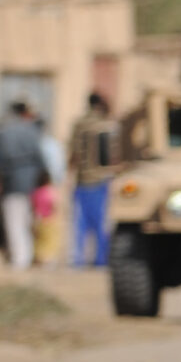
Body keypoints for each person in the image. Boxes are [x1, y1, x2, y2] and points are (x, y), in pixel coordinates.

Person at [0, 99, 47, 271]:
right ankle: (26, 256)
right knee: (27, 220)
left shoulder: (3, 130)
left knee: (14, 221)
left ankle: (19, 259)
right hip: (30, 182)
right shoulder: (31, 130)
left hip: (12, 182)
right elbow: (39, 157)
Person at [68, 92, 118, 268]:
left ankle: (78, 259)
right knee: (100, 223)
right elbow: (113, 156)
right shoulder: (106, 126)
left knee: (80, 223)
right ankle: (100, 259)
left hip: (83, 180)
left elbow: (73, 153)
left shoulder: (79, 125)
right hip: (101, 180)